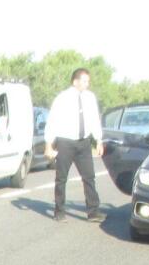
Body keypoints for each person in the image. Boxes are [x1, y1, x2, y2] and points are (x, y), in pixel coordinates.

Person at [44, 68, 105, 222]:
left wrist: (98, 140)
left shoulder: (90, 98)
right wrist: (48, 144)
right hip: (65, 142)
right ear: (75, 81)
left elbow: (94, 119)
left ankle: (93, 212)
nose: (87, 84)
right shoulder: (62, 98)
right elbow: (52, 120)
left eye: (88, 81)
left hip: (83, 142)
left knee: (89, 177)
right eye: (84, 81)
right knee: (61, 178)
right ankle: (59, 211)